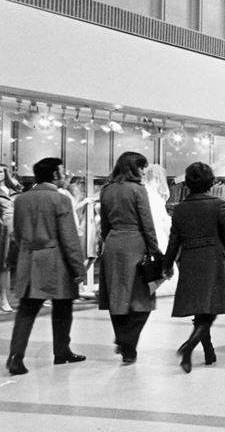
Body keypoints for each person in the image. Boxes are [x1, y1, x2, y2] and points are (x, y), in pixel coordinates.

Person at [5, 158, 87, 376]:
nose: (64, 175)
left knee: (26, 310)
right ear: (54, 175)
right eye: (62, 171)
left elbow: (18, 234)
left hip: (28, 259)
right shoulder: (60, 200)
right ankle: (62, 351)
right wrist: (78, 269)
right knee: (63, 308)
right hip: (55, 261)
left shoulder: (21, 200)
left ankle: (16, 356)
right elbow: (69, 238)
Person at [163, 162, 225, 373]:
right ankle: (189, 347)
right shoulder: (218, 204)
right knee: (210, 310)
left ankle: (209, 351)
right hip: (213, 261)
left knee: (200, 310)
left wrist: (167, 265)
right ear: (210, 182)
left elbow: (173, 241)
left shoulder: (180, 209)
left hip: (189, 261)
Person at [98, 151, 160, 365]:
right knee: (142, 299)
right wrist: (155, 249)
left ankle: (127, 348)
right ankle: (127, 340)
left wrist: (109, 241)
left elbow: (103, 225)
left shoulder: (106, 190)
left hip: (113, 243)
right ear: (134, 168)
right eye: (142, 167)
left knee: (117, 297)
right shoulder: (138, 190)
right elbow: (147, 223)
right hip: (136, 243)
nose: (144, 171)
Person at [143, 163, 175, 296]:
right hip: (158, 236)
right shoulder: (155, 198)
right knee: (160, 270)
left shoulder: (144, 194)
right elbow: (164, 222)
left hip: (149, 236)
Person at [0, 163, 24, 312]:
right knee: (3, 266)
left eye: (1, 172)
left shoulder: (8, 190)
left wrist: (7, 173)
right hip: (2, 230)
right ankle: (3, 299)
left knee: (7, 266)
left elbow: (20, 188)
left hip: (10, 231)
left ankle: (4, 298)